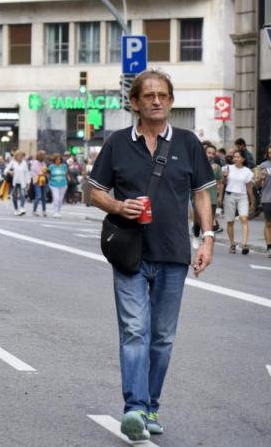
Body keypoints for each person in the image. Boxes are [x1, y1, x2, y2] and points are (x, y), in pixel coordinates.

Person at [86, 69, 215, 442]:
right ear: (135, 103)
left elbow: (202, 195)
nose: (156, 100)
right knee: (134, 330)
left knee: (162, 336)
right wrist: (117, 205)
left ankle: (152, 405)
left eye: (162, 95)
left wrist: (207, 239)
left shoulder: (189, 143)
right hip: (129, 252)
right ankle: (135, 408)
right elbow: (95, 191)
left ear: (170, 101)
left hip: (174, 253)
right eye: (149, 96)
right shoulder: (117, 144)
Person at [221, 149, 255, 254]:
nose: (235, 158)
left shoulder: (247, 171)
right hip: (229, 195)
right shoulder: (227, 168)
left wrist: (252, 201)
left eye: (238, 156)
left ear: (243, 159)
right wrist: (225, 176)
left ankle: (244, 245)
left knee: (244, 218)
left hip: (242, 196)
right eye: (234, 156)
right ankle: (232, 244)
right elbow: (222, 183)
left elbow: (249, 188)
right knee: (230, 221)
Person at [192, 144, 224, 238]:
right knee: (200, 218)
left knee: (209, 220)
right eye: (209, 153)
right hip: (198, 197)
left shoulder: (217, 167)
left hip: (212, 198)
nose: (211, 155)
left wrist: (220, 196)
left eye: (213, 154)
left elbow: (221, 182)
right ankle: (197, 225)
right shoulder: (195, 165)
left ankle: (206, 240)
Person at [5, 151, 30, 215]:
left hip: (22, 182)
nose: (20, 157)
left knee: (23, 194)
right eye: (19, 156)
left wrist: (28, 182)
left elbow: (27, 173)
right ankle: (16, 209)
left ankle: (22, 208)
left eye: (21, 156)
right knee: (14, 196)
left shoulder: (24, 163)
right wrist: (10, 172)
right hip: (14, 182)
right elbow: (5, 170)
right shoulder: (13, 162)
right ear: (16, 156)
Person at [256, 144, 271, 255]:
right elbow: (256, 184)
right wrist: (260, 178)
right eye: (269, 153)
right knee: (269, 224)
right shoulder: (263, 165)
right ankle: (269, 247)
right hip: (267, 198)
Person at [46, 153, 70, 217]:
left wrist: (69, 178)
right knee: (56, 198)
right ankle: (55, 212)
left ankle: (58, 211)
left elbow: (67, 173)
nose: (58, 161)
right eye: (56, 159)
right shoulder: (51, 166)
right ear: (54, 160)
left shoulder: (64, 166)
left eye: (59, 159)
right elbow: (47, 173)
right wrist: (48, 179)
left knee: (60, 199)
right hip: (53, 184)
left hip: (63, 184)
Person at [29, 150, 48, 216]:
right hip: (37, 181)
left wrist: (45, 173)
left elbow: (45, 170)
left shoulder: (43, 163)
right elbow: (38, 172)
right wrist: (43, 172)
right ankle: (34, 210)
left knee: (44, 197)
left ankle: (44, 211)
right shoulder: (35, 163)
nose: (45, 156)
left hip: (43, 181)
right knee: (38, 196)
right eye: (44, 155)